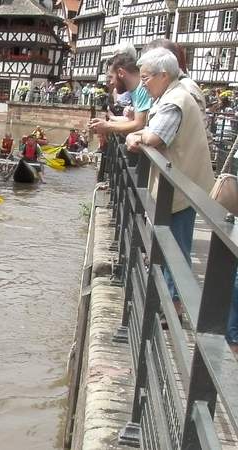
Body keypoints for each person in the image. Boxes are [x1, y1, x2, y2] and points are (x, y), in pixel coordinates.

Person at [125, 48, 215, 319]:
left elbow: (155, 138)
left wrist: (136, 136)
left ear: (163, 75)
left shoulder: (173, 100)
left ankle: (172, 306)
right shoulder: (173, 94)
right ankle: (169, 302)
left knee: (175, 247)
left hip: (181, 189)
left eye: (146, 77)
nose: (143, 84)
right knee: (172, 244)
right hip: (182, 185)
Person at [89, 52, 153, 137]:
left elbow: (139, 125)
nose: (110, 83)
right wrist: (104, 124)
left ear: (121, 73)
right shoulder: (136, 90)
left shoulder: (142, 88)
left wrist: (107, 126)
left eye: (111, 77)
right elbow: (134, 122)